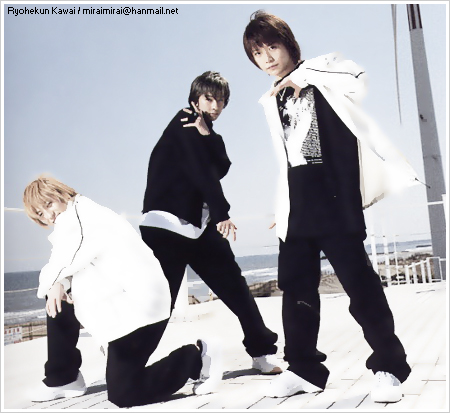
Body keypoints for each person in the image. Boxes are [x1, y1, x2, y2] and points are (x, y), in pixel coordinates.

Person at [242, 10, 418, 402]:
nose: (267, 58)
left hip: (335, 197)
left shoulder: (323, 72)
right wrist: (284, 204)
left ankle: (389, 367)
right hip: (298, 201)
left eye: (272, 47)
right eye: (257, 53)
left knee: (360, 286)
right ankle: (303, 370)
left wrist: (305, 77)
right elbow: (290, 158)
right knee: (296, 289)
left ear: (288, 44)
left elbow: (359, 77)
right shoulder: (272, 98)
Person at [23, 176, 223, 407]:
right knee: (57, 293)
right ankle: (64, 377)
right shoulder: (78, 215)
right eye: (40, 214)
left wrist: (54, 282)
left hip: (139, 310)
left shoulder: (81, 218)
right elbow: (69, 261)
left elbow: (62, 261)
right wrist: (58, 282)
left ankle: (198, 358)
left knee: (125, 394)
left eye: (48, 204)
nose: (48, 216)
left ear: (62, 194)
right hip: (129, 307)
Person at [139, 71, 281, 375]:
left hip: (197, 226)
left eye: (221, 101)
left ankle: (261, 352)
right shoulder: (184, 123)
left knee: (237, 291)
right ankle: (127, 361)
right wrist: (222, 213)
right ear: (195, 99)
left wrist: (209, 136)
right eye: (209, 99)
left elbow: (222, 166)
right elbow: (203, 173)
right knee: (159, 304)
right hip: (167, 228)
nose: (215, 106)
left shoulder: (203, 128)